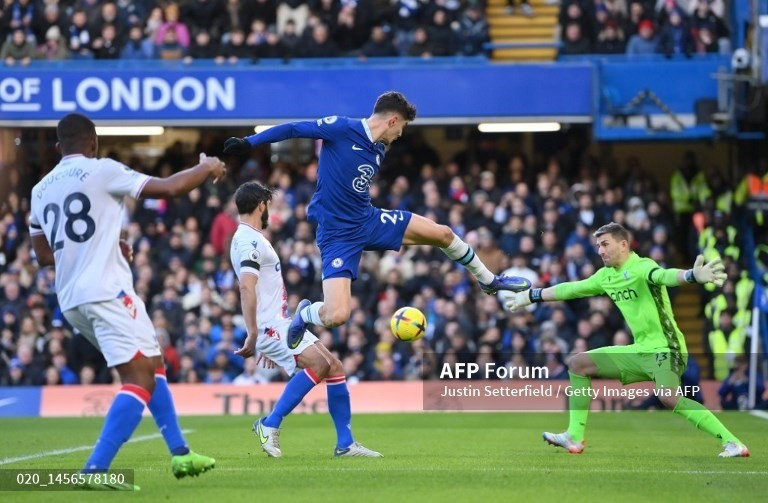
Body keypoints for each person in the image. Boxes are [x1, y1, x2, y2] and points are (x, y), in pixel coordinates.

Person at [223, 91, 531, 349]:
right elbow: (293, 129)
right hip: (337, 234)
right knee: (337, 315)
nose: (401, 134)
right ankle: (306, 314)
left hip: (368, 219)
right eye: (403, 127)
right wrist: (250, 142)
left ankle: (489, 281)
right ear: (393, 120)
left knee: (444, 233)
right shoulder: (342, 128)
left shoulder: (379, 150)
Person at [29, 113, 225, 488]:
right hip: (105, 290)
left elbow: (43, 254)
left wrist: (105, 243)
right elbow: (168, 189)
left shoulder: (39, 190)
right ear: (94, 143)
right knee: (137, 376)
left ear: (58, 147)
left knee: (153, 361)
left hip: (72, 297)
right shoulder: (102, 170)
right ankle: (95, 470)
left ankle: (181, 454)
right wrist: (206, 167)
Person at [503, 222, 750, 458]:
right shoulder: (606, 276)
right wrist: (532, 296)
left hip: (667, 348)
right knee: (578, 364)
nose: (600, 250)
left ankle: (732, 442)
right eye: (598, 245)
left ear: (623, 245)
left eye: (605, 244)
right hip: (639, 350)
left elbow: (665, 276)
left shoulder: (642, 267)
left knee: (668, 396)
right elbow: (571, 288)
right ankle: (574, 437)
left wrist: (691, 276)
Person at [230, 181, 381, 458]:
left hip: (278, 324)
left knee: (334, 366)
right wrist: (255, 333)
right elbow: (246, 286)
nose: (269, 213)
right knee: (322, 363)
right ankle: (269, 423)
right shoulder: (247, 241)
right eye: (268, 206)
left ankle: (345, 444)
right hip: (271, 325)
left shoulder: (252, 238)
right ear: (261, 205)